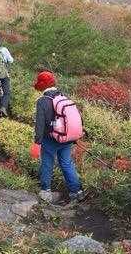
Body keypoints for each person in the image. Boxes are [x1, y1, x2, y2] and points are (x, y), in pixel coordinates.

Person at [31, 71, 85, 204]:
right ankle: (77, 192)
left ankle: (46, 191)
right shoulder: (63, 97)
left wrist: (37, 143)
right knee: (66, 163)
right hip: (66, 138)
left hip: (50, 139)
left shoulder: (42, 101)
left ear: (42, 85)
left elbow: (40, 124)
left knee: (47, 163)